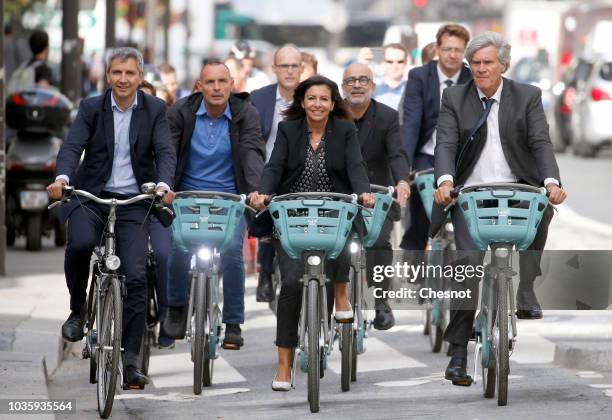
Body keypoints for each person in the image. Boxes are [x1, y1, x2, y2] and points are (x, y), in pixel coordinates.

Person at [431, 32, 567, 385]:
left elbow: (540, 142)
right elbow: (445, 140)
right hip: (470, 195)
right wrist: (445, 180)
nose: (480, 69)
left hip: (518, 188)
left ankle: (526, 289)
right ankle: (459, 351)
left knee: (543, 210)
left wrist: (550, 181)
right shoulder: (455, 97)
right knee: (468, 263)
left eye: (488, 62)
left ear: (503, 65)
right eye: (474, 63)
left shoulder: (527, 95)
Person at [46, 47, 176, 388]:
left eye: (130, 73)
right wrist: (62, 178)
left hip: (134, 202)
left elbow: (164, 151)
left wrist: (163, 185)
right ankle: (77, 310)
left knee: (135, 276)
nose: (123, 79)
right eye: (117, 72)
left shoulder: (155, 109)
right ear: (107, 75)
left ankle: (131, 359)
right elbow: (73, 146)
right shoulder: (91, 108)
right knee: (80, 245)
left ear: (140, 77)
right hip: (93, 196)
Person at [249, 75, 375, 391]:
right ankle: (283, 366)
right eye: (311, 98)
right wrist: (263, 192)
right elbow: (274, 166)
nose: (317, 104)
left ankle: (341, 297)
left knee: (347, 247)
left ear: (333, 105)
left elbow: (356, 166)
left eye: (324, 99)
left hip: (334, 213)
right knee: (291, 283)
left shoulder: (345, 130)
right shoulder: (289, 130)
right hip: (293, 216)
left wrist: (362, 194)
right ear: (302, 102)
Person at [163, 59, 265, 350]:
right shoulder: (180, 112)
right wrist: (165, 187)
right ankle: (177, 308)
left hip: (229, 200)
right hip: (185, 198)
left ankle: (233, 322)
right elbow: (168, 153)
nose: (217, 87)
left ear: (232, 85)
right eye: (210, 82)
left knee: (233, 250)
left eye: (223, 82)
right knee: (178, 248)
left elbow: (252, 153)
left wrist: (256, 190)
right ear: (199, 86)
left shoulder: (246, 113)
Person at [341, 63, 411, 330]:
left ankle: (381, 302)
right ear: (343, 87)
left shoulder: (387, 116)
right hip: (339, 195)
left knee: (380, 242)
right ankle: (324, 303)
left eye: (363, 80)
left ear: (372, 85)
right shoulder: (330, 115)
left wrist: (402, 181)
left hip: (377, 195)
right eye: (351, 80)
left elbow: (397, 154)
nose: (357, 85)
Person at [400, 23, 472, 252]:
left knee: (467, 220)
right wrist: (403, 170)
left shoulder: (473, 78)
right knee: (421, 214)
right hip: (426, 156)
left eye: (458, 50)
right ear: (438, 49)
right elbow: (411, 123)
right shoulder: (419, 76)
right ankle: (414, 267)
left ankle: (464, 271)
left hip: (462, 158)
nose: (452, 55)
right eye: (447, 49)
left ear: (464, 52)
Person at [250, 44, 303, 302]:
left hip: (303, 173)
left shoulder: (311, 97)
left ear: (302, 69)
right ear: (274, 69)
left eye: (295, 66)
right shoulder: (258, 98)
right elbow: (249, 142)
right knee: (264, 204)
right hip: (266, 172)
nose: (290, 71)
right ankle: (266, 271)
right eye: (285, 66)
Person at [373, 43, 408, 110]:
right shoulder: (371, 87)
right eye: (390, 61)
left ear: (406, 62)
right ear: (383, 62)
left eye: (400, 61)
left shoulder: (414, 88)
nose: (395, 66)